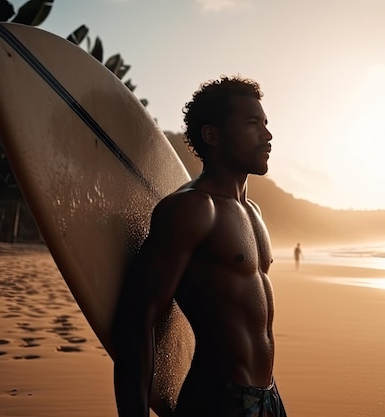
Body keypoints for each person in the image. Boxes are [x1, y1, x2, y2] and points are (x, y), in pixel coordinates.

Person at [112, 76, 287, 417]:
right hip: (219, 400)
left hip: (268, 397)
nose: (267, 136)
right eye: (252, 124)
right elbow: (136, 320)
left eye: (265, 124)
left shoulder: (253, 212)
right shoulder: (192, 209)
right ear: (212, 135)